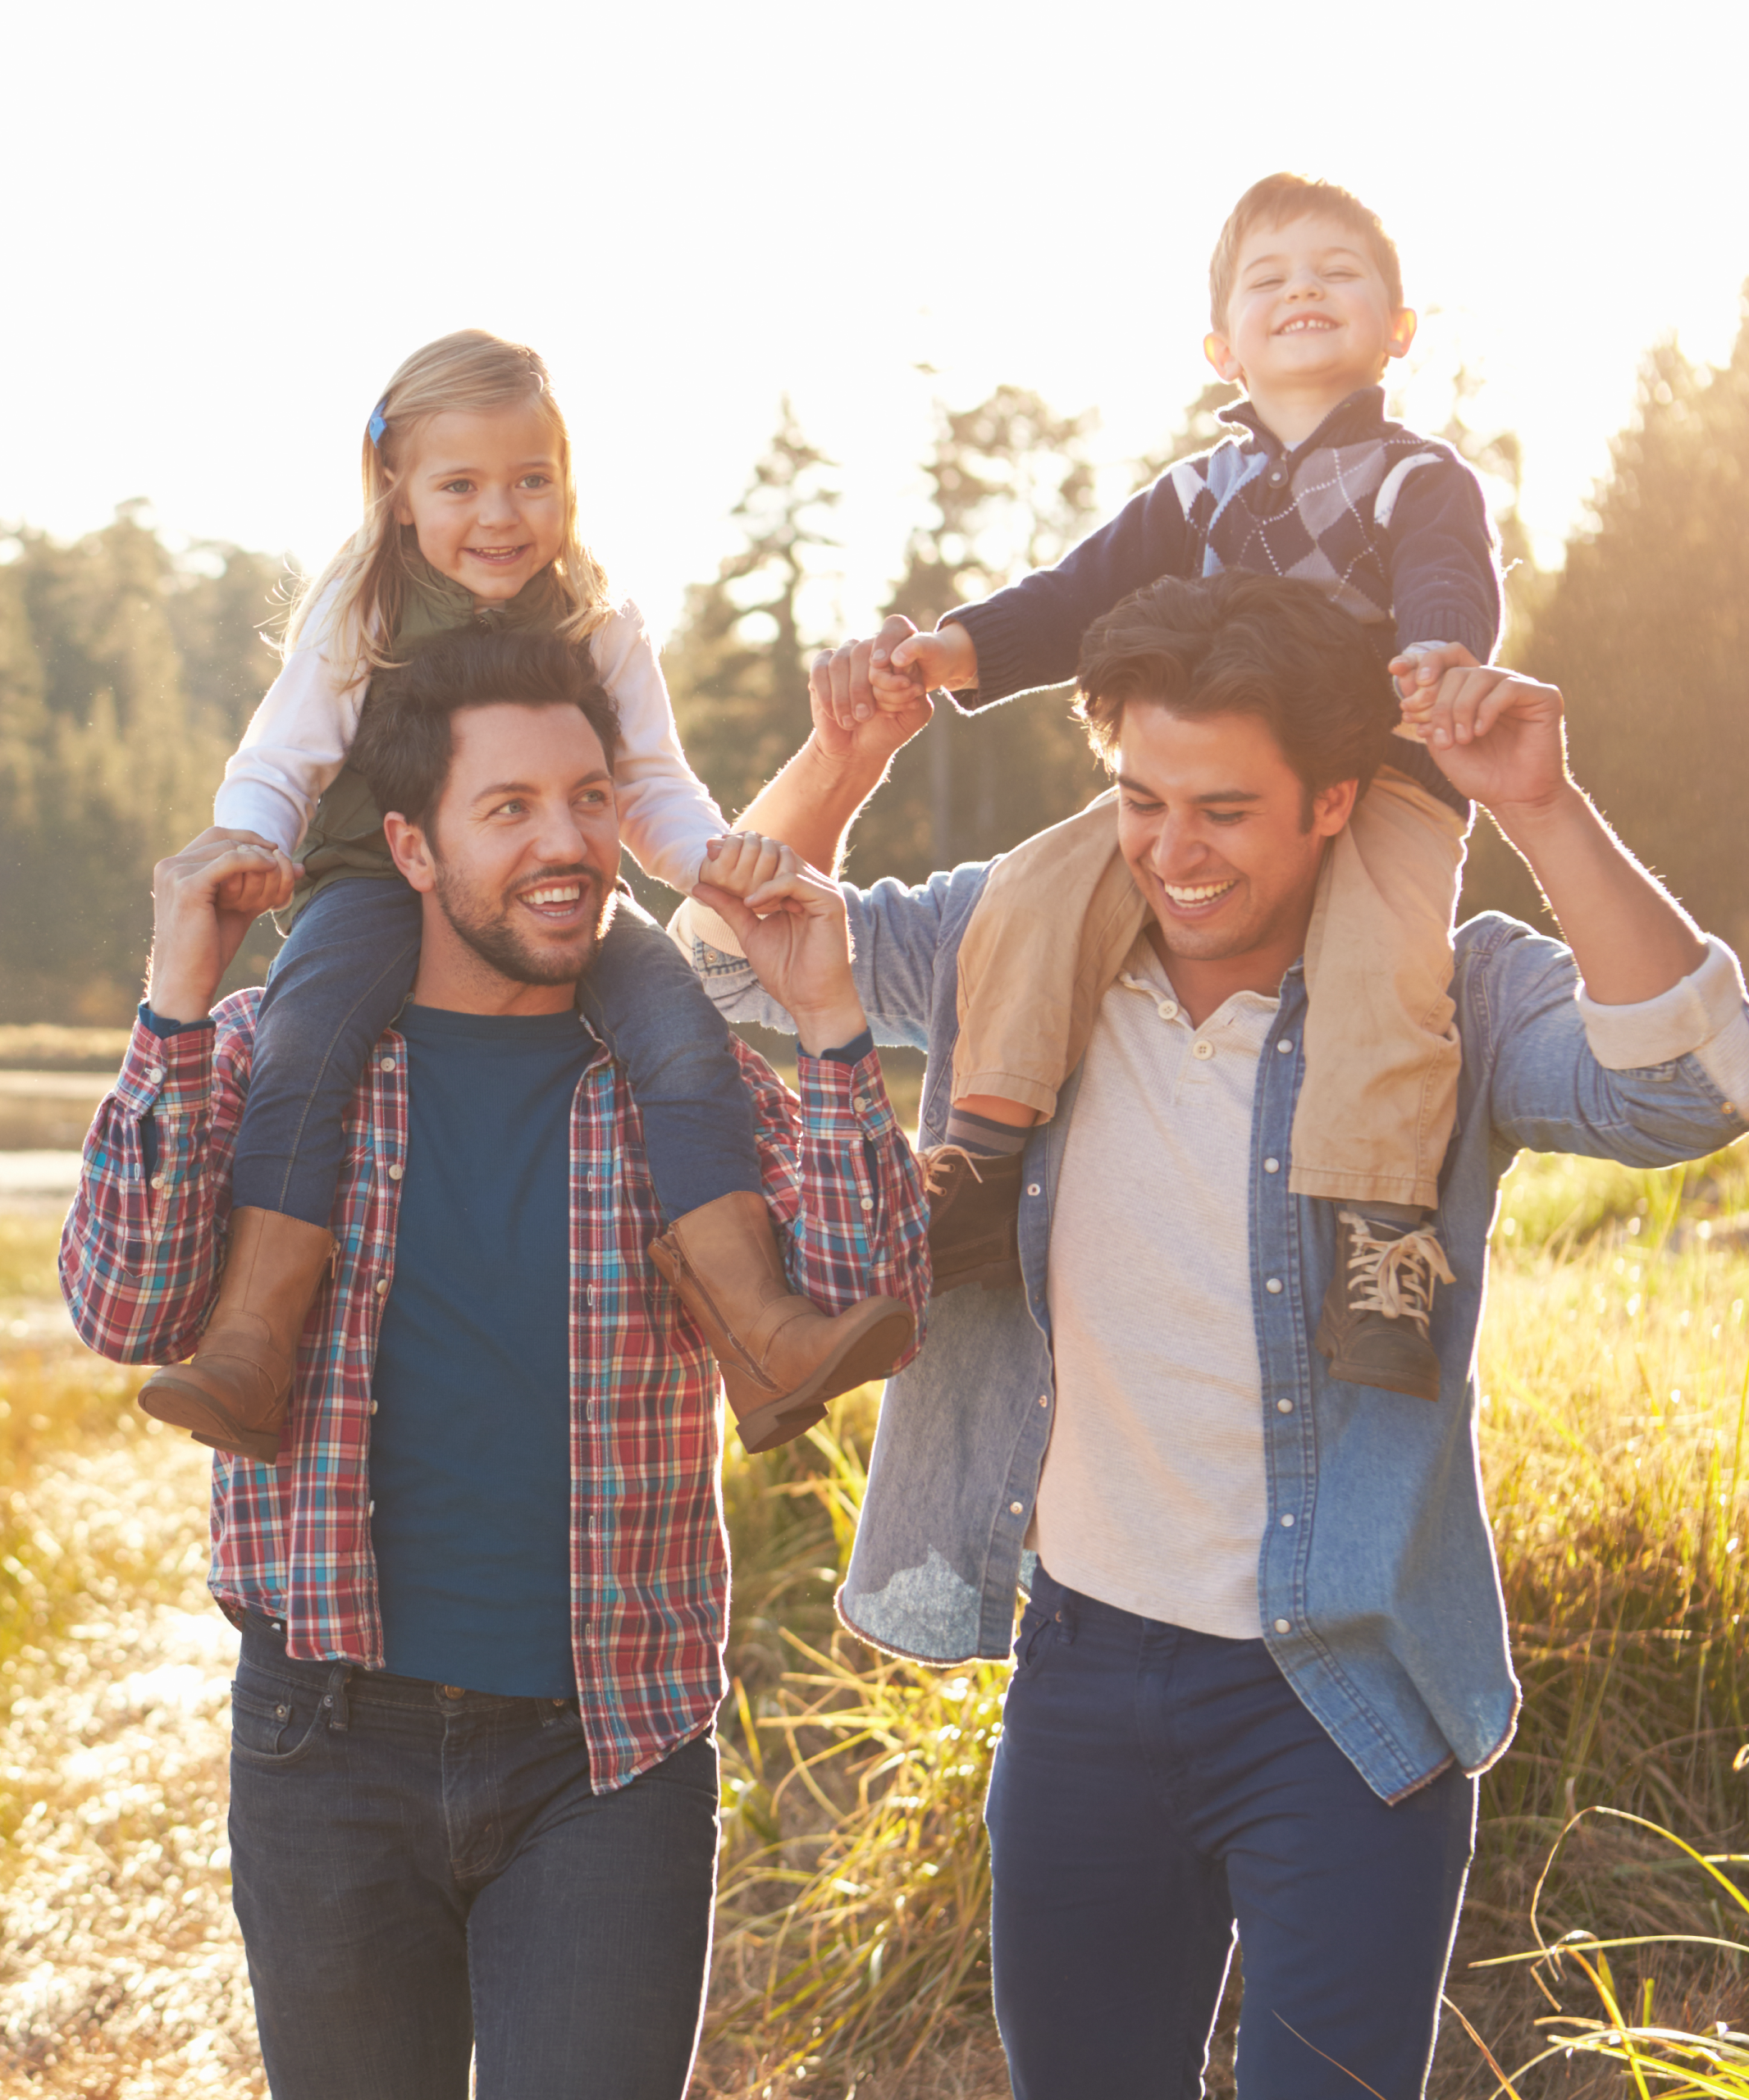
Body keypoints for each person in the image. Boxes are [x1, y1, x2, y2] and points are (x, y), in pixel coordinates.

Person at [673, 571, 1749, 2098]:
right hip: (1085, 1675)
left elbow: (1690, 1091)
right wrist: (848, 755)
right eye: (1140, 797)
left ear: (1332, 803)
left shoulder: (1445, 992)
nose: (1173, 853)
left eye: (1226, 812)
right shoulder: (1014, 943)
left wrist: (1546, 808)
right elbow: (730, 958)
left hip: (1343, 1687)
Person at [60, 626, 930, 2100]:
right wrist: (176, 1003)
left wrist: (833, 1017)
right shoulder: (290, 1061)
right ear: (410, 843)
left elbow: (877, 1295)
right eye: (510, 807)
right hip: (326, 1740)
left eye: (591, 801)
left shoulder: (681, 1080)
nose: (570, 844)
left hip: (611, 1748)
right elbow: (128, 1312)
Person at [136, 326, 905, 1468]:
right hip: (365, 881)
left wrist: (709, 863)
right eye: (461, 486)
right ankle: (252, 1338)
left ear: (568, 486)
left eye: (531, 482)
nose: (500, 516)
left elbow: (649, 785)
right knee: (305, 1043)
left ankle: (763, 1327)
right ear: (396, 495)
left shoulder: (598, 624)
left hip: (561, 889)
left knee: (680, 1034)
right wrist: (251, 840)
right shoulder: (362, 609)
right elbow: (281, 758)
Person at [843, 172, 1503, 1402]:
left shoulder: (1418, 481)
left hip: (1382, 769)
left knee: (1386, 955)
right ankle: (984, 1161)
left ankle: (1378, 1236)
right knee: (1037, 887)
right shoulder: (1198, 492)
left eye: (1338, 272)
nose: (1303, 288)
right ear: (1221, 343)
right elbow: (1074, 594)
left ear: (1398, 328)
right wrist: (962, 650)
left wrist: (1442, 656)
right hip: (1201, 782)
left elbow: (1449, 582)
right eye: (1270, 278)